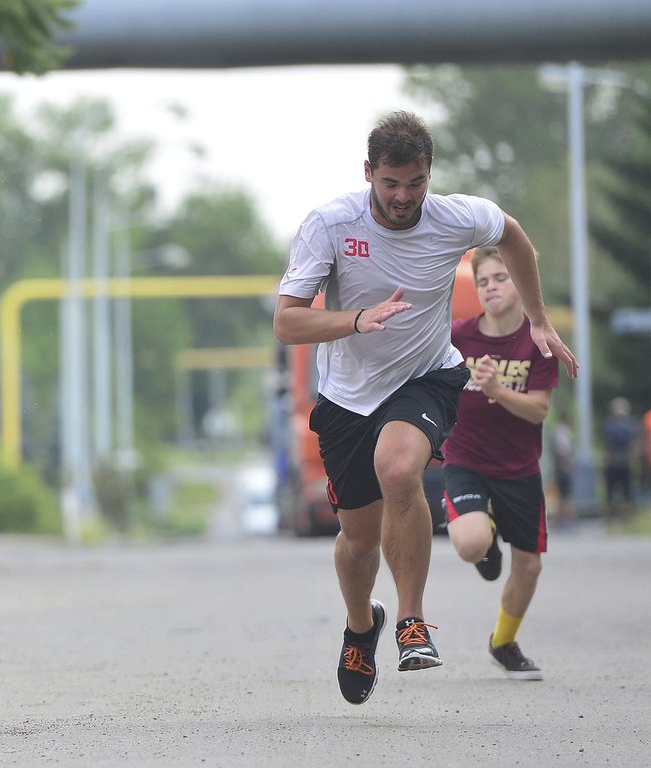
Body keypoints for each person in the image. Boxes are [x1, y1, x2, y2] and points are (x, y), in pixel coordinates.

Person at [273, 111, 578, 706]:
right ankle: (363, 627)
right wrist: (357, 319)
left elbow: (512, 236)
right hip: (346, 394)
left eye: (415, 183)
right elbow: (287, 321)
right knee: (357, 540)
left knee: (399, 468)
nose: (403, 197)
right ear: (369, 173)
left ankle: (412, 622)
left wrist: (538, 319)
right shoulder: (330, 225)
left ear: (428, 176)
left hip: (426, 375)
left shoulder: (456, 217)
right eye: (390, 184)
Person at [441, 246, 559, 681]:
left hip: (520, 469)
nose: (491, 288)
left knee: (528, 565)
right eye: (484, 281)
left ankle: (503, 643)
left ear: (524, 282)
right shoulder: (457, 336)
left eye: (502, 278)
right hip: (466, 459)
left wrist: (496, 389)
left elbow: (539, 411)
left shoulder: (539, 340)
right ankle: (483, 535)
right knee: (470, 545)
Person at [602, 396, 639, 521]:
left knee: (624, 490)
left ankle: (623, 515)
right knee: (616, 490)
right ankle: (615, 515)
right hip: (617, 461)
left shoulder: (617, 425)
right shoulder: (625, 425)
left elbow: (632, 444)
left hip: (621, 460)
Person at [550, 411, 576, 527]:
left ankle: (560, 520)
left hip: (558, 466)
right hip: (563, 467)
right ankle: (565, 520)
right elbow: (563, 450)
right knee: (566, 495)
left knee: (561, 494)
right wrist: (567, 464)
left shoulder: (556, 430)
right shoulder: (564, 431)